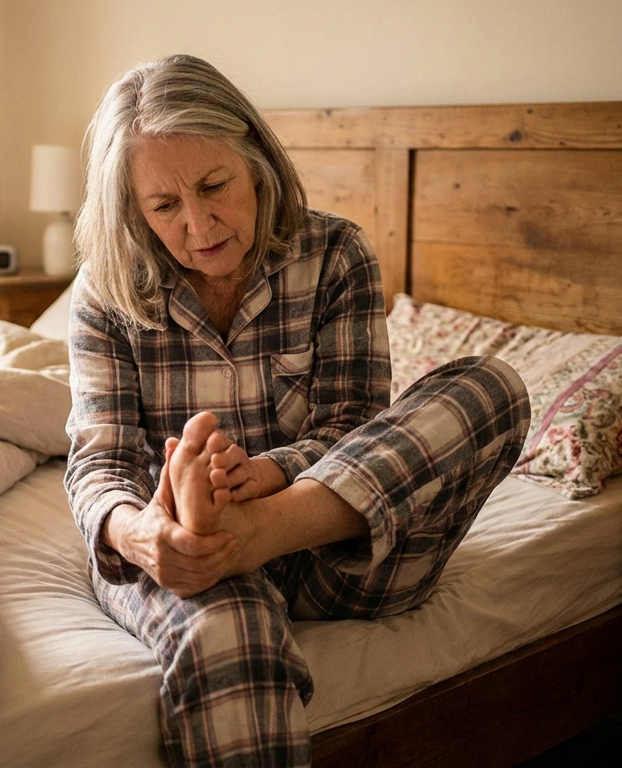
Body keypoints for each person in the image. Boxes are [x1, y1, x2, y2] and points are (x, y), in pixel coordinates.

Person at [63, 54, 530, 767]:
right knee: (229, 632)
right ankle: (229, 540)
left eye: (214, 185)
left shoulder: (336, 253)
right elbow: (99, 459)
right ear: (134, 209)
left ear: (255, 158)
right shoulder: (106, 289)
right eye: (164, 206)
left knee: (491, 387)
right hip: (190, 556)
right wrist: (142, 536)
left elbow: (356, 425)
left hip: (332, 545)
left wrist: (271, 479)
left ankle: (251, 533)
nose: (198, 223)